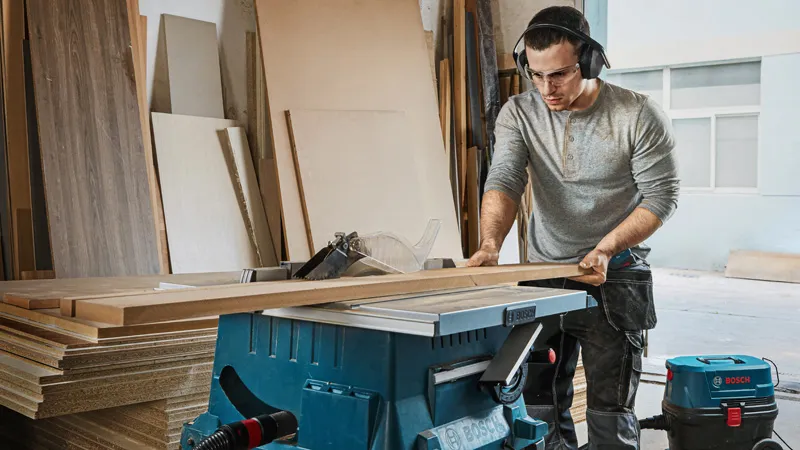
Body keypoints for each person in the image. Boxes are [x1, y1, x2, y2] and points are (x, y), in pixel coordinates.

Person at [466, 5, 679, 450]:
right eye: (537, 75)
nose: (548, 88)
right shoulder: (519, 113)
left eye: (560, 74)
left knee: (609, 407)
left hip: (613, 274)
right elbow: (505, 179)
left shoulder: (636, 114)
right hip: (542, 274)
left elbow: (662, 198)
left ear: (589, 61)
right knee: (536, 399)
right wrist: (490, 244)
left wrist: (605, 248)